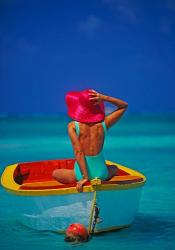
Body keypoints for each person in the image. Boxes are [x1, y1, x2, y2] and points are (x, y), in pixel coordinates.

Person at [52, 89, 128, 192]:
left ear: (79, 107)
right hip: (101, 173)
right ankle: (101, 178)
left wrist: (85, 178)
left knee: (56, 173)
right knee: (114, 168)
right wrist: (104, 98)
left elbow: (78, 152)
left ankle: (82, 178)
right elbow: (124, 106)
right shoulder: (104, 124)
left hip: (81, 174)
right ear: (97, 105)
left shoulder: (73, 126)